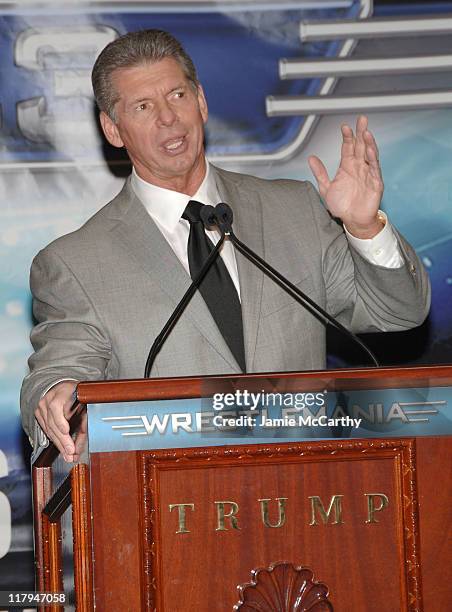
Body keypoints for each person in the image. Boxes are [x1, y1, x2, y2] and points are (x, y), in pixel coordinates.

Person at [20, 29, 430, 461]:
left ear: (201, 101)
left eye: (177, 95)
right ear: (113, 129)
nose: (167, 118)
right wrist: (56, 392)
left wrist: (364, 227)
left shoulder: (296, 211)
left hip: (312, 496)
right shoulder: (75, 263)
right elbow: (61, 367)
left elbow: (398, 312)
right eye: (143, 107)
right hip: (173, 509)